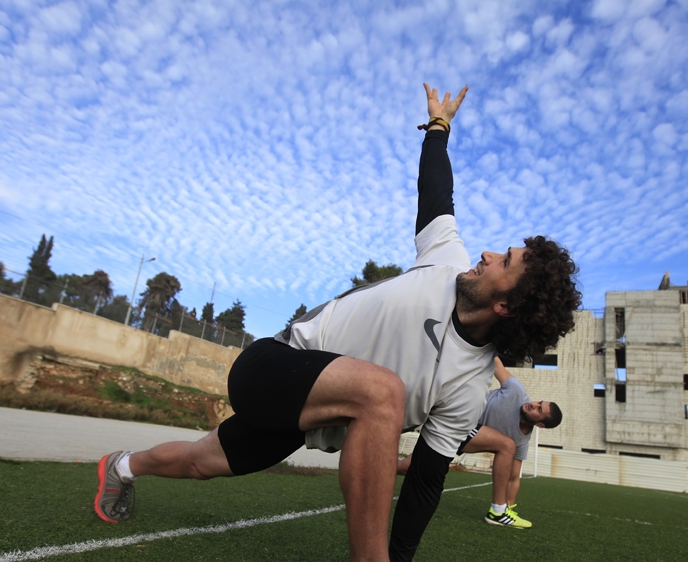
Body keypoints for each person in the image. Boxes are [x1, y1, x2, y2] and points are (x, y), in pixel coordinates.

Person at [94, 83, 581, 562]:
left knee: (202, 462)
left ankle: (122, 466)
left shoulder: (469, 387)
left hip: (309, 419)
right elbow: (436, 190)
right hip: (276, 363)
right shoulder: (445, 258)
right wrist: (439, 127)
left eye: (505, 260)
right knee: (382, 390)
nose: (488, 253)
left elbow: (425, 481)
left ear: (507, 308)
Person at [396, 357, 561, 529]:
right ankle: (497, 511)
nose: (533, 404)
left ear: (540, 424)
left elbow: (513, 477)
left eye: (539, 409)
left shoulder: (522, 438)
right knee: (507, 445)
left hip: (462, 434)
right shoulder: (517, 391)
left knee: (405, 468)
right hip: (458, 415)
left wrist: (510, 508)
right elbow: (496, 363)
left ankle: (369, 468)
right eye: (539, 402)